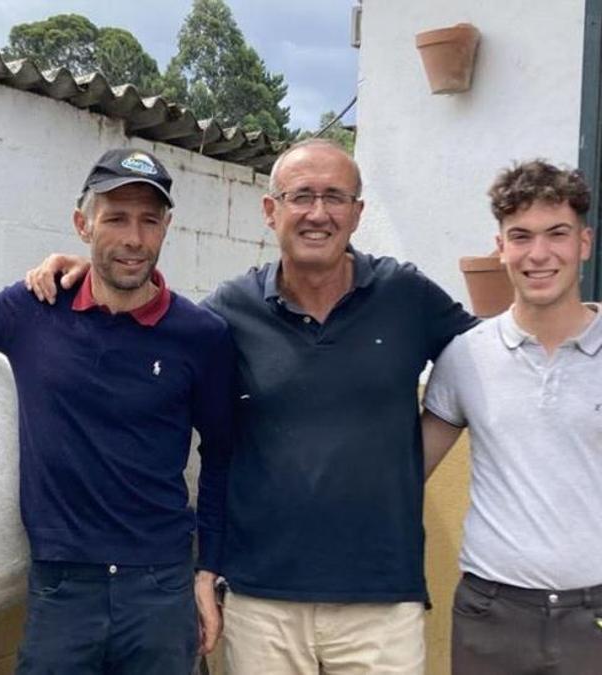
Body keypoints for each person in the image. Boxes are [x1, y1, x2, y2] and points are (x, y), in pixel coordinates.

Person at [27, 139, 477, 674]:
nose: (317, 213)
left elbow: (490, 366)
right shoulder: (228, 313)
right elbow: (149, 323)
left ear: (358, 213)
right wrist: (93, 269)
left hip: (380, 604)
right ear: (271, 211)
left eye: (335, 197)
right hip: (259, 604)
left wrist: (412, 462)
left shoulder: (406, 296)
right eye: (300, 195)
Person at [0, 148, 237, 673]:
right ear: (83, 224)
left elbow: (222, 454)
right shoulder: (34, 311)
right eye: (116, 217)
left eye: (149, 221)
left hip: (159, 590)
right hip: (63, 589)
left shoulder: (201, 336)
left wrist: (207, 571)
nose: (134, 239)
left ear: (166, 228)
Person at [421, 160, 602, 675]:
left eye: (557, 234)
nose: (539, 254)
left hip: (594, 616)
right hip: (491, 615)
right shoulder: (466, 356)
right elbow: (405, 470)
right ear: (500, 248)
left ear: (583, 243)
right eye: (520, 236)